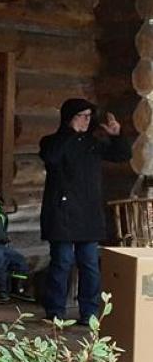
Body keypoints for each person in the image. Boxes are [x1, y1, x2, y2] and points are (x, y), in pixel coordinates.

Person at [40, 98, 131, 324]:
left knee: (89, 264)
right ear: (69, 118)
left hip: (88, 213)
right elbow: (52, 158)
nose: (86, 120)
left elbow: (122, 155)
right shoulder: (51, 141)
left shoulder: (93, 143)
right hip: (61, 211)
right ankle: (55, 312)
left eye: (89, 116)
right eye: (81, 116)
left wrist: (117, 135)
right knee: (61, 262)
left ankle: (89, 312)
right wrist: (71, 133)